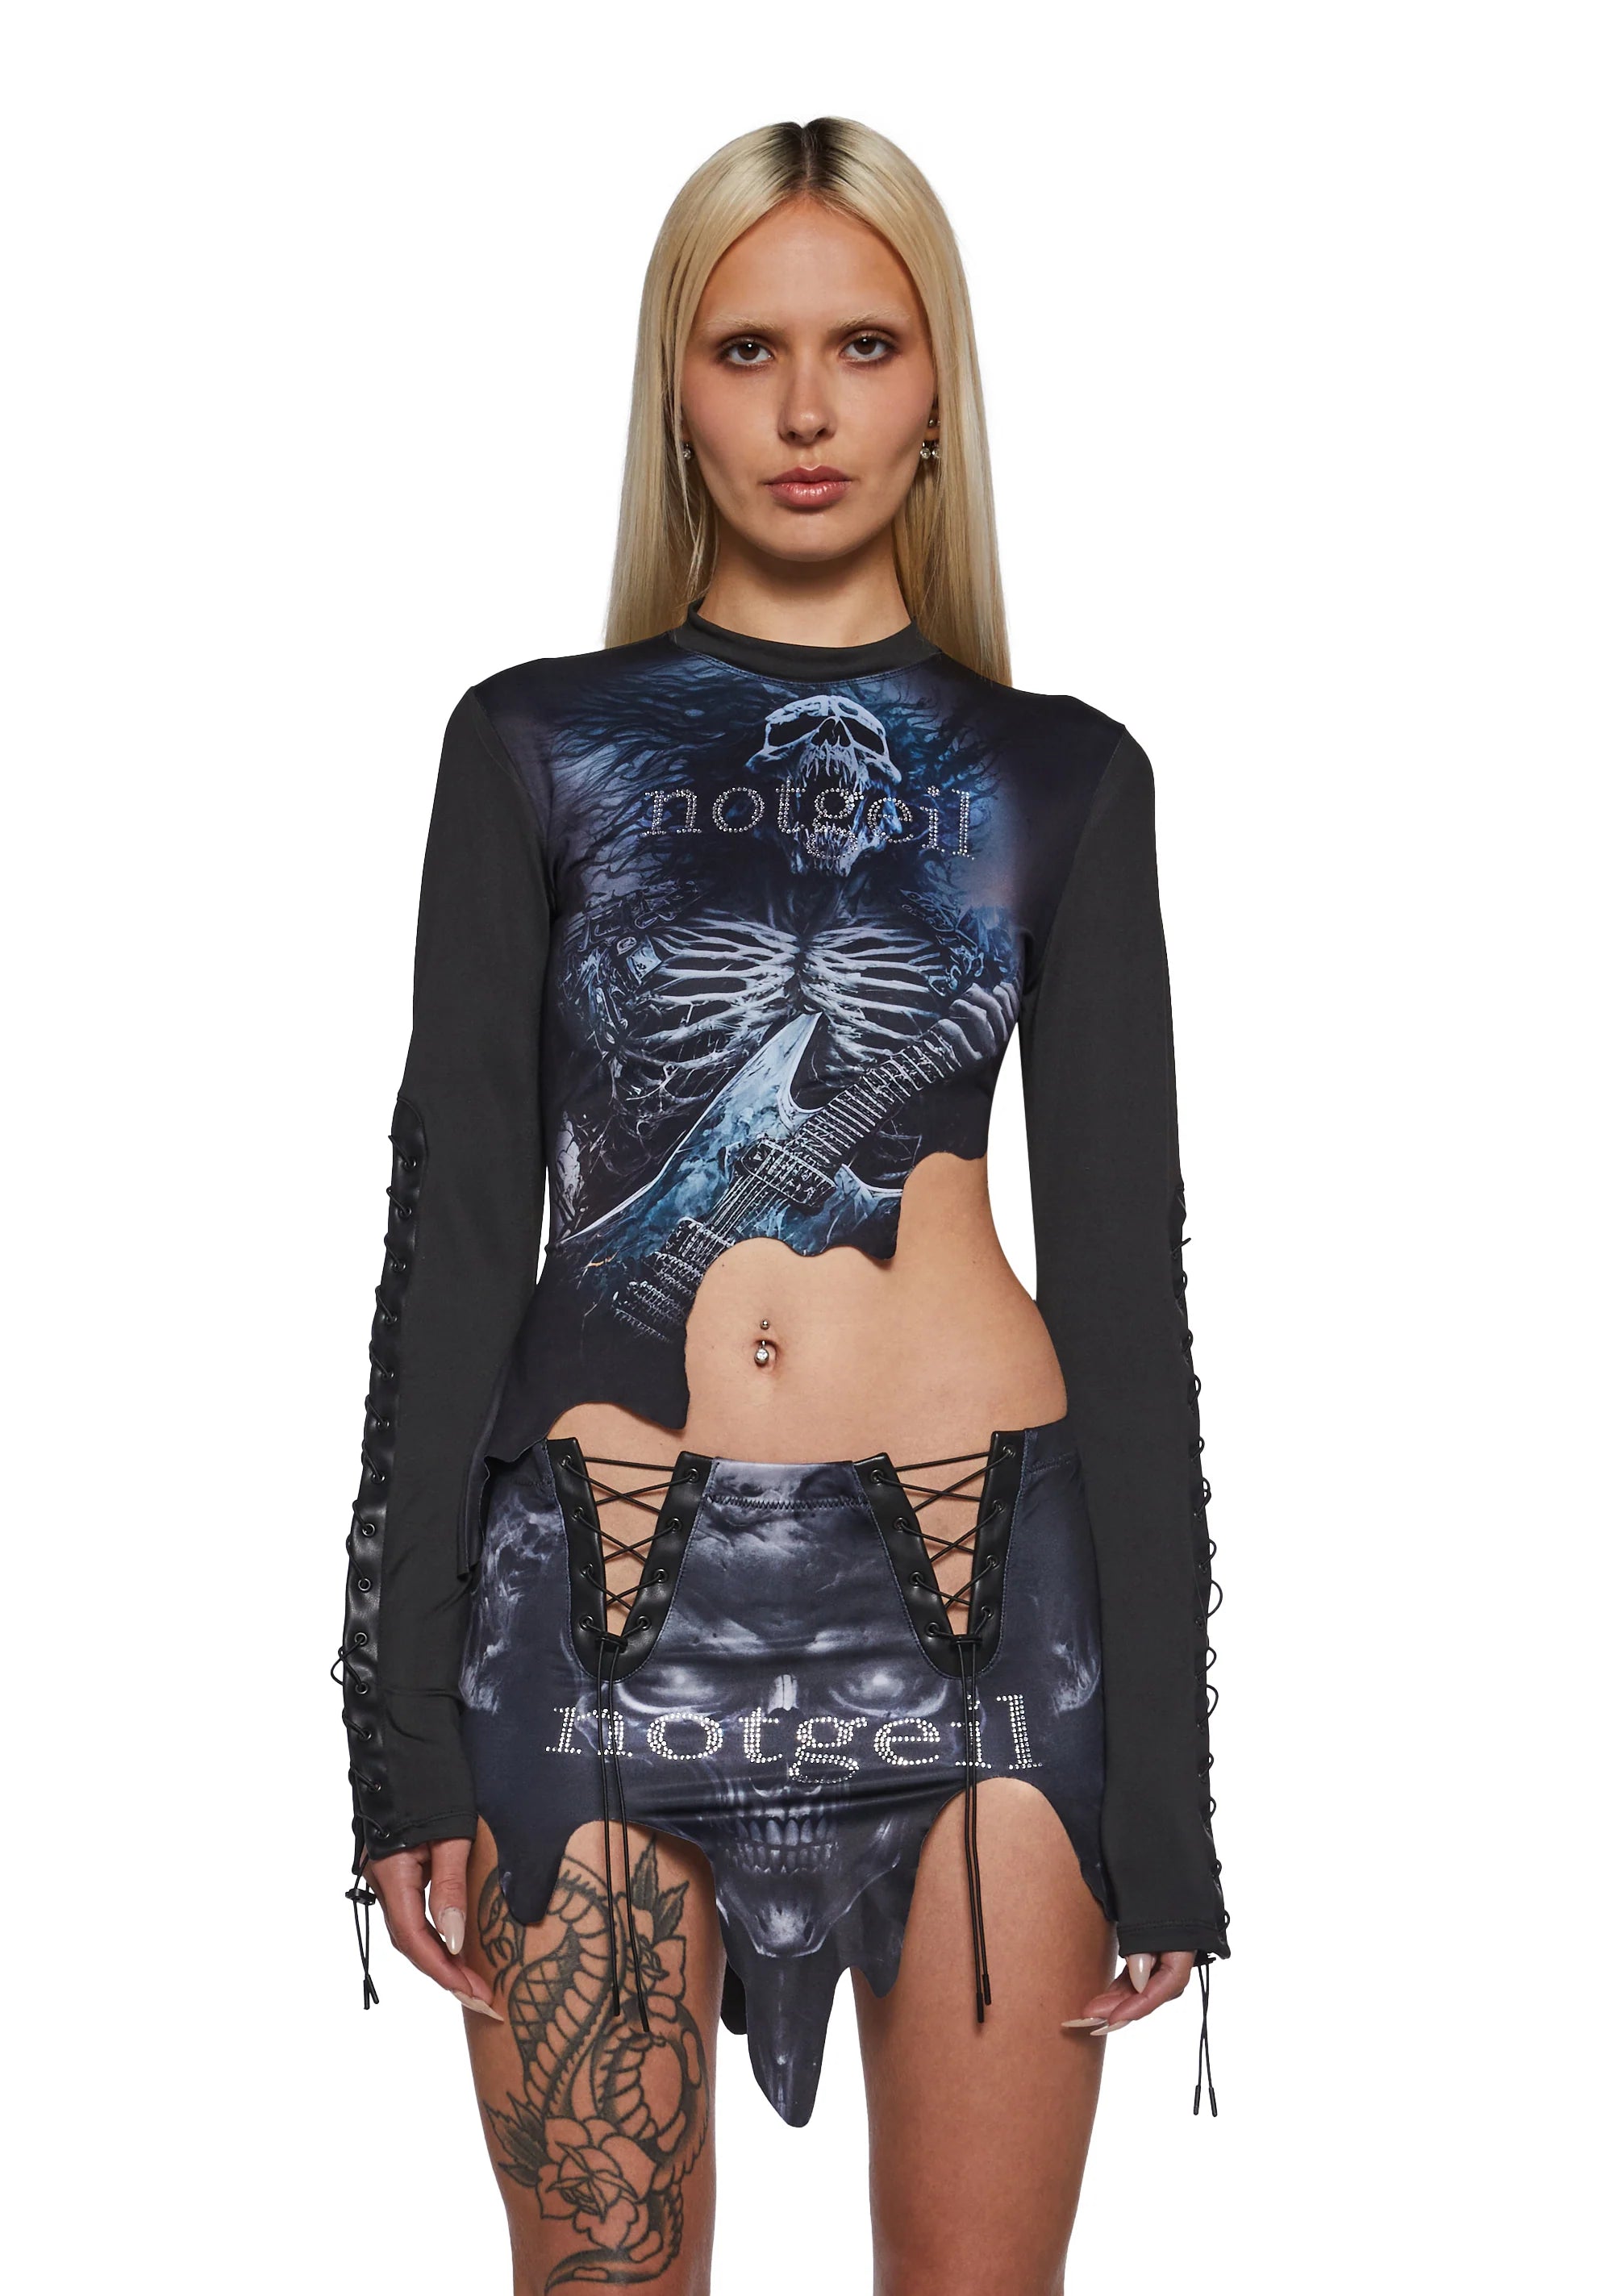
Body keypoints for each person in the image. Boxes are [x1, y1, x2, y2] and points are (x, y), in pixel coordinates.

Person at [337, 115, 1227, 2296]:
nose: (807, 409)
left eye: (863, 346)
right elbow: (454, 1237)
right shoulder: (531, 748)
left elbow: (1130, 1288)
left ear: (939, 392)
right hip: (592, 1611)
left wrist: (1176, 1805)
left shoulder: (1063, 777)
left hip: (989, 1621)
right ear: (676, 388)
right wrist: (394, 1729)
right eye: (748, 348)